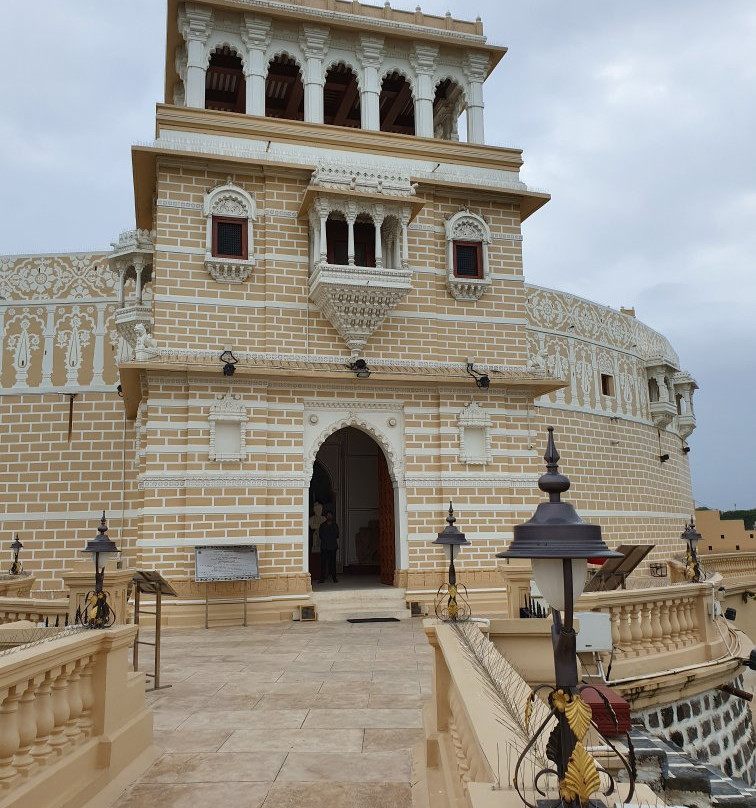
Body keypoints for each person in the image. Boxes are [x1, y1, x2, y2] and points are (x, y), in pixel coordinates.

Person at [318, 510, 339, 584]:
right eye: (328, 515)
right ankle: (322, 578)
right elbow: (320, 536)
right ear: (326, 516)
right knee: (323, 563)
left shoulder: (335, 525)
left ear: (332, 516)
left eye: (330, 515)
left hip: (333, 547)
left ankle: (334, 578)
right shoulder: (322, 525)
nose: (329, 516)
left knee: (333, 563)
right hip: (324, 547)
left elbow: (337, 535)